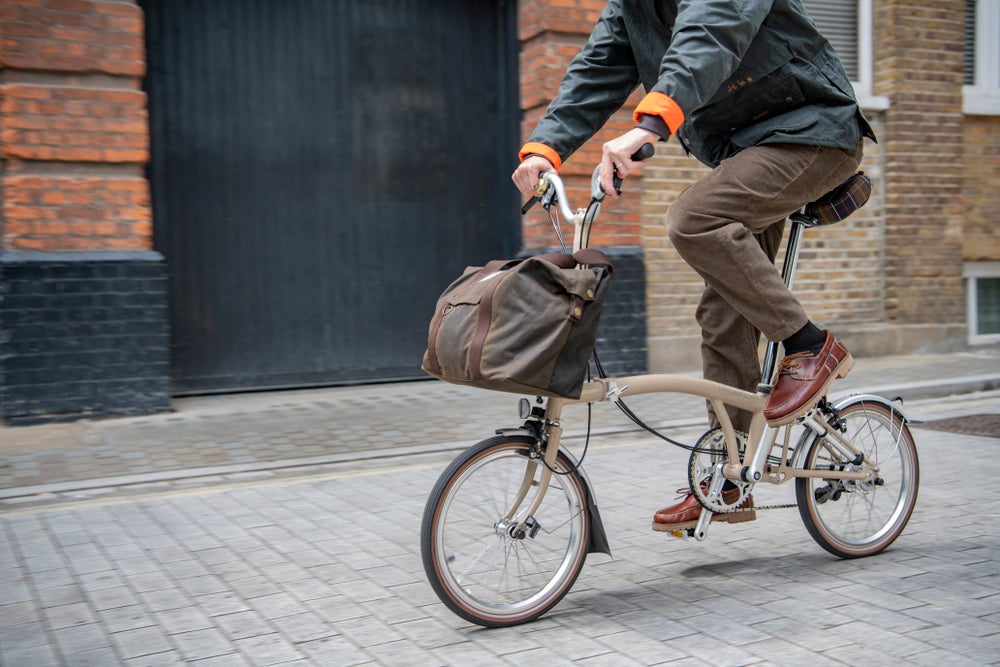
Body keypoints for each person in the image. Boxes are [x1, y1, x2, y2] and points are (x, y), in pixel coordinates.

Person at [511, 0, 876, 532]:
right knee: (722, 311)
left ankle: (809, 345)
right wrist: (545, 149)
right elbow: (596, 71)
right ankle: (729, 476)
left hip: (810, 130)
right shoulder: (630, 7)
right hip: (745, 149)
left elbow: (713, 30)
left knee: (693, 218)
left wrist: (650, 124)